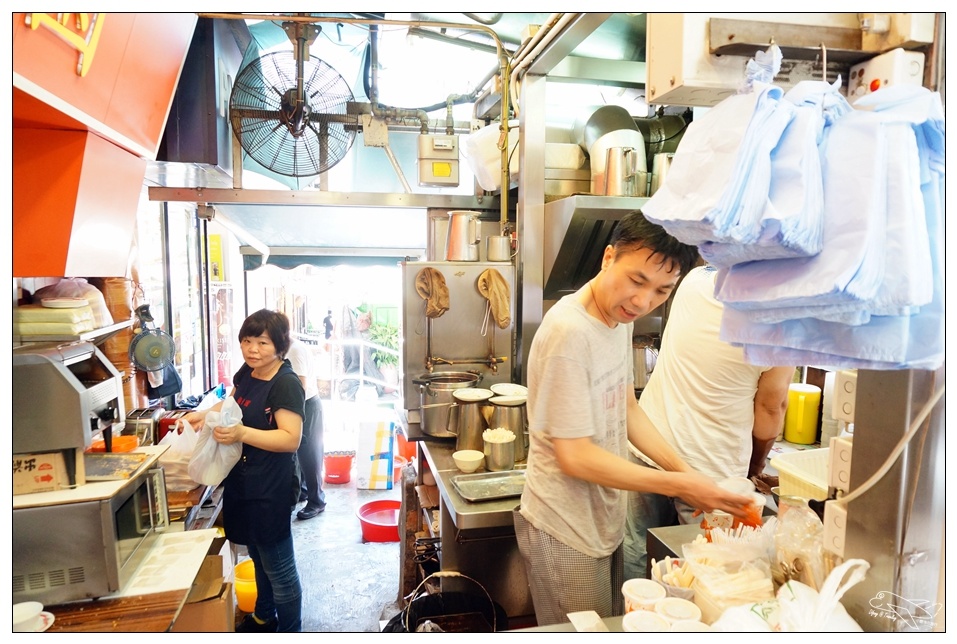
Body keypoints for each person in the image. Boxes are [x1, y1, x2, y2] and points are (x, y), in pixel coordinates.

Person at [514, 211, 756, 626]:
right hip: (564, 527)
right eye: (636, 280)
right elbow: (576, 458)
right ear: (608, 257)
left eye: (663, 290)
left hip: (603, 519)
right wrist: (680, 483)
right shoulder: (569, 333)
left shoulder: (618, 319)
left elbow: (627, 410)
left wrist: (691, 476)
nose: (643, 301)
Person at [623, 264, 794, 579]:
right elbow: (772, 408)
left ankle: (633, 618)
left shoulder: (693, 281)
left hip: (648, 444)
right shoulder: (783, 327)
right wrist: (756, 466)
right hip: (711, 476)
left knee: (637, 547)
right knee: (707, 566)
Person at [181, 309, 305, 633]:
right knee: (259, 556)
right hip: (243, 481)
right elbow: (233, 404)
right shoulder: (248, 373)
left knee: (279, 567)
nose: (252, 349)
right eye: (247, 341)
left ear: (279, 346)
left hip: (271, 487)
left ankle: (292, 630)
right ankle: (265, 617)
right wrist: (203, 414)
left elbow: (291, 439)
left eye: (262, 342)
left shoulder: (286, 384)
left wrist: (241, 434)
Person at [287, 338, 327, 520]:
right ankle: (304, 492)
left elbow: (300, 384)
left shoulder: (294, 350)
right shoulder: (291, 348)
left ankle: (317, 501)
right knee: (301, 453)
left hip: (307, 404)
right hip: (304, 404)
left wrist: (290, 409)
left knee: (310, 455)